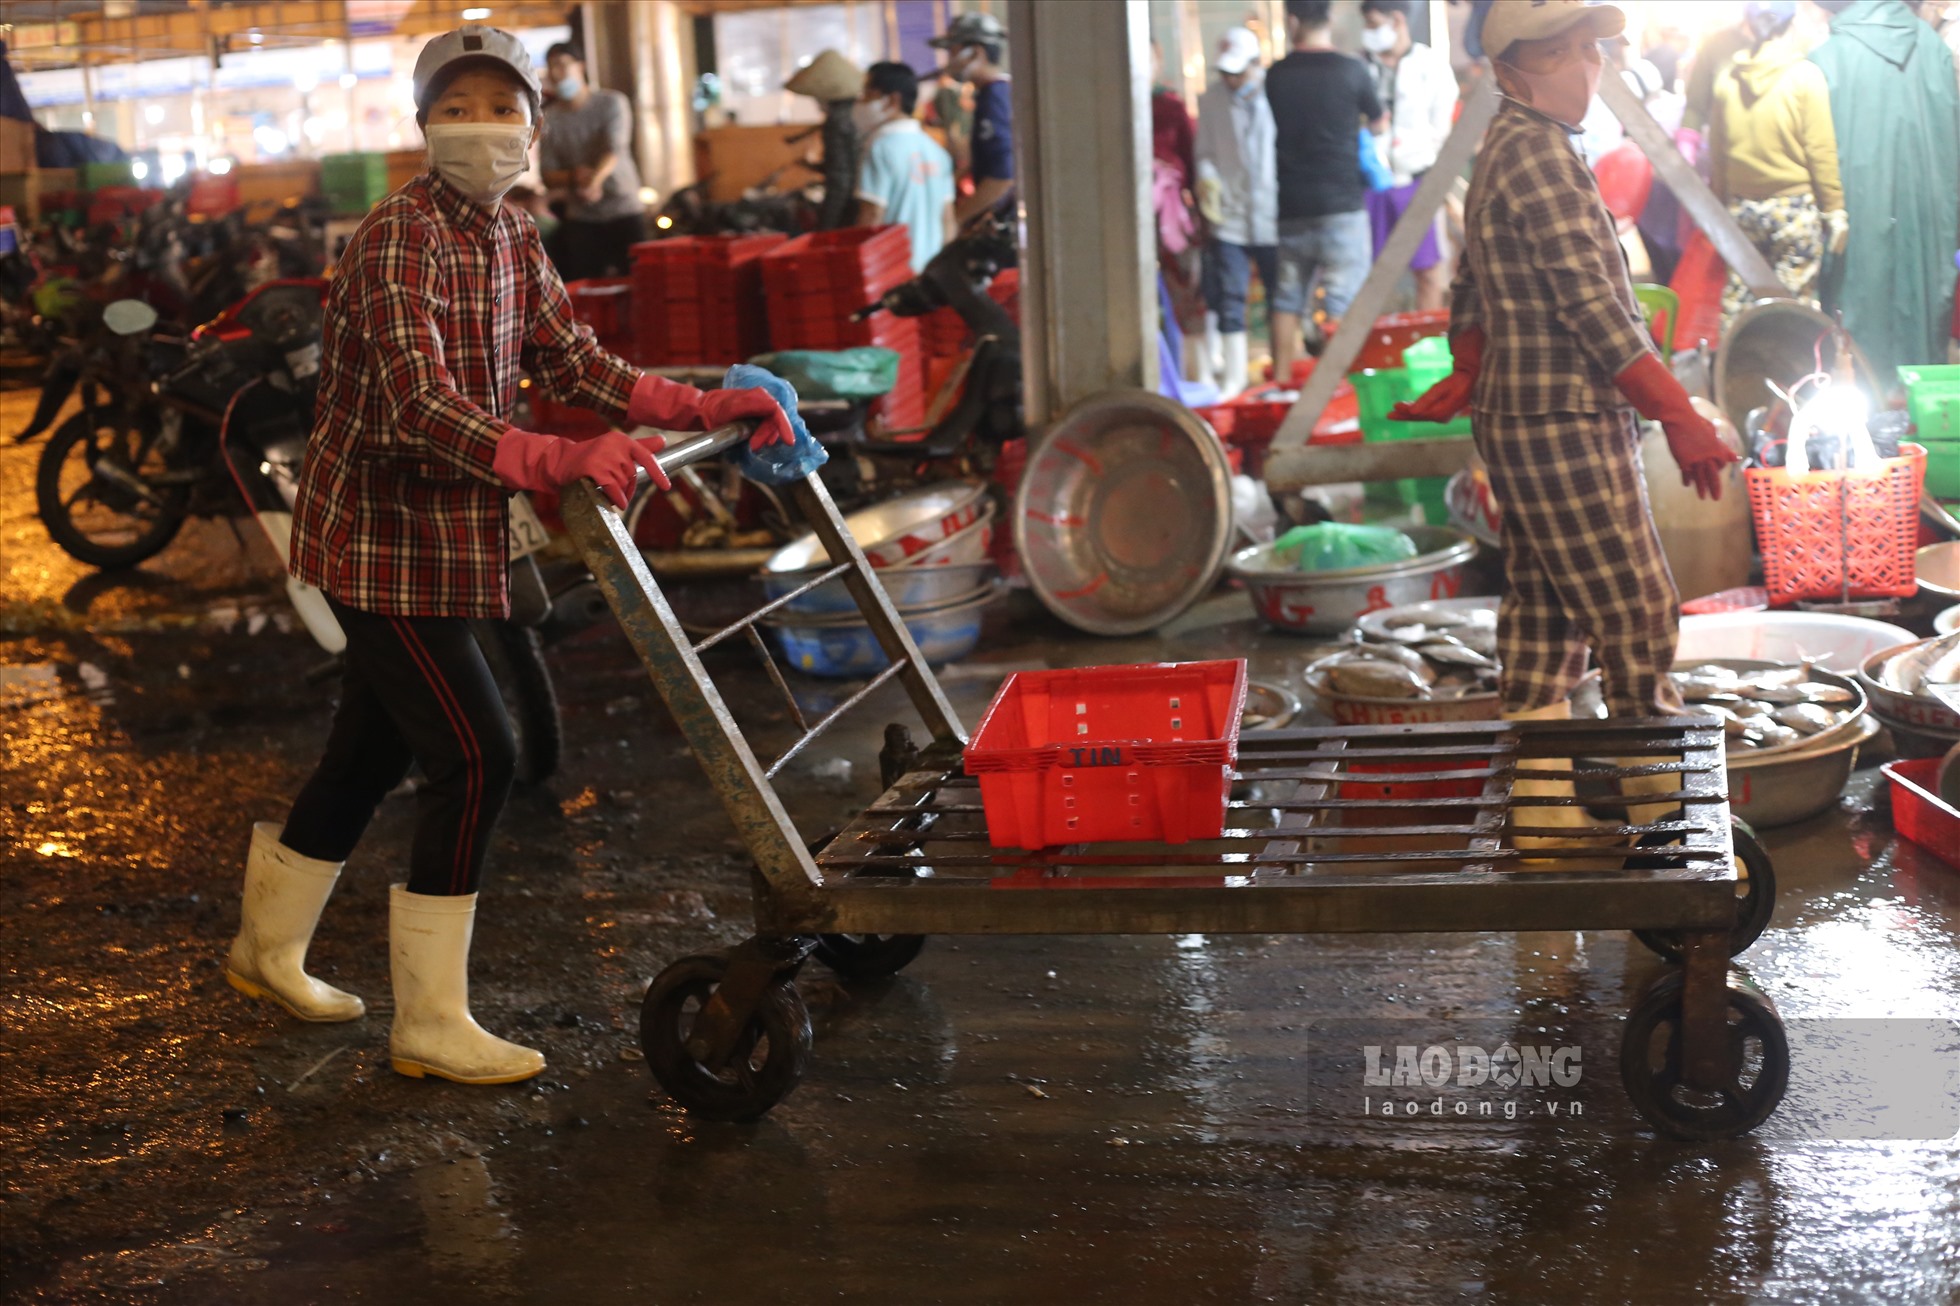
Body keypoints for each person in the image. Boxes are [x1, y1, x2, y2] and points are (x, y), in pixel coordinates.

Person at [226, 25, 792, 1086]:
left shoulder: (512, 235)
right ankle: (430, 1022)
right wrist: (550, 453)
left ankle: (265, 950)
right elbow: (416, 405)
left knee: (373, 748)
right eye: (459, 103)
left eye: (501, 105)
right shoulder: (398, 237)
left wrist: (696, 399)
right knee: (477, 751)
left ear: (533, 127)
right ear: (424, 120)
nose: (480, 126)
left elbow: (570, 353)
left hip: (452, 536)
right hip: (380, 540)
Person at [1391, 1, 1739, 838]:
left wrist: (1466, 368)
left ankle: (1546, 814)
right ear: (1514, 68)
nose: (1590, 66)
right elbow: (1596, 309)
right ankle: (1666, 826)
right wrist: (1678, 412)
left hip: (1526, 412)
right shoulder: (1538, 154)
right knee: (1638, 611)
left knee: (1545, 613)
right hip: (1557, 418)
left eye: (1592, 48)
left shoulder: (1513, 147)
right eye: (1569, 51)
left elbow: (1474, 283)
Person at [1809, 0, 1960, 383]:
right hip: (1930, 220)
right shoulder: (1936, 50)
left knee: (1856, 348)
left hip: (1857, 220)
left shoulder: (1825, 60)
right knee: (1923, 347)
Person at [1265, 0, 1385, 385]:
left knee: (1286, 299)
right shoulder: (1353, 70)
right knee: (1342, 302)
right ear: (1331, 18)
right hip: (1342, 205)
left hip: (1291, 205)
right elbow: (1380, 123)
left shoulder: (1276, 76)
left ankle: (1282, 381)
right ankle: (1338, 388)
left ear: (1292, 20)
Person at [1709, 1, 1844, 323]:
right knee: (1791, 308)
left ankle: (1731, 369)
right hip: (1792, 210)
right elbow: (1820, 150)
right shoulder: (1805, 76)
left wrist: (1719, 206)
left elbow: (1718, 154)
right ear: (1791, 22)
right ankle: (1784, 371)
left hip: (1742, 209)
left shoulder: (1729, 79)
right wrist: (1835, 209)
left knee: (1739, 300)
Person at [1359, 0, 1459, 311]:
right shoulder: (1359, 67)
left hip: (1417, 180)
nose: (1370, 33)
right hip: (1370, 184)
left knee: (1428, 271)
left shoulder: (1430, 66)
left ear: (1397, 20)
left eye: (1375, 25)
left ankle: (1426, 346)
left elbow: (1440, 128)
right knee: (1371, 276)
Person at [1195, 25, 1278, 398]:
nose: (1231, 79)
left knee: (1281, 296)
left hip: (1273, 214)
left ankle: (1281, 372)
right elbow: (1205, 153)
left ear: (1254, 64)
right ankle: (1234, 376)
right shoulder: (1211, 101)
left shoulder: (1274, 94)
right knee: (1230, 295)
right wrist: (1208, 182)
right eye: (1225, 72)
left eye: (1237, 71)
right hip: (1229, 217)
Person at [538, 43, 645, 280]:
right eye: (552, 67)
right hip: (582, 216)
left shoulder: (611, 103)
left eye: (563, 65)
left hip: (624, 208)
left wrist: (594, 181)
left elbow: (614, 148)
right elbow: (547, 174)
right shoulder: (549, 118)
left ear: (581, 66)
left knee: (639, 281)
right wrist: (575, 177)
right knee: (583, 285)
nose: (557, 73)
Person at [853, 61, 956, 272]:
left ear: (892, 100)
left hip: (893, 271)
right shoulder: (937, 151)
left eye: (867, 94)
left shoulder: (880, 148)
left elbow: (872, 216)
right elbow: (948, 222)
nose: (860, 102)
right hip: (928, 273)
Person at [931, 12, 1013, 226]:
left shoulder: (994, 98)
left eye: (952, 51)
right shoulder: (993, 94)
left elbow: (1002, 176)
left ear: (975, 53)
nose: (949, 60)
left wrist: (957, 220)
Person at [785, 49, 865, 231]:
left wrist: (826, 225)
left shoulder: (836, 122)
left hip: (848, 209)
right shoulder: (858, 115)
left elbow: (840, 179)